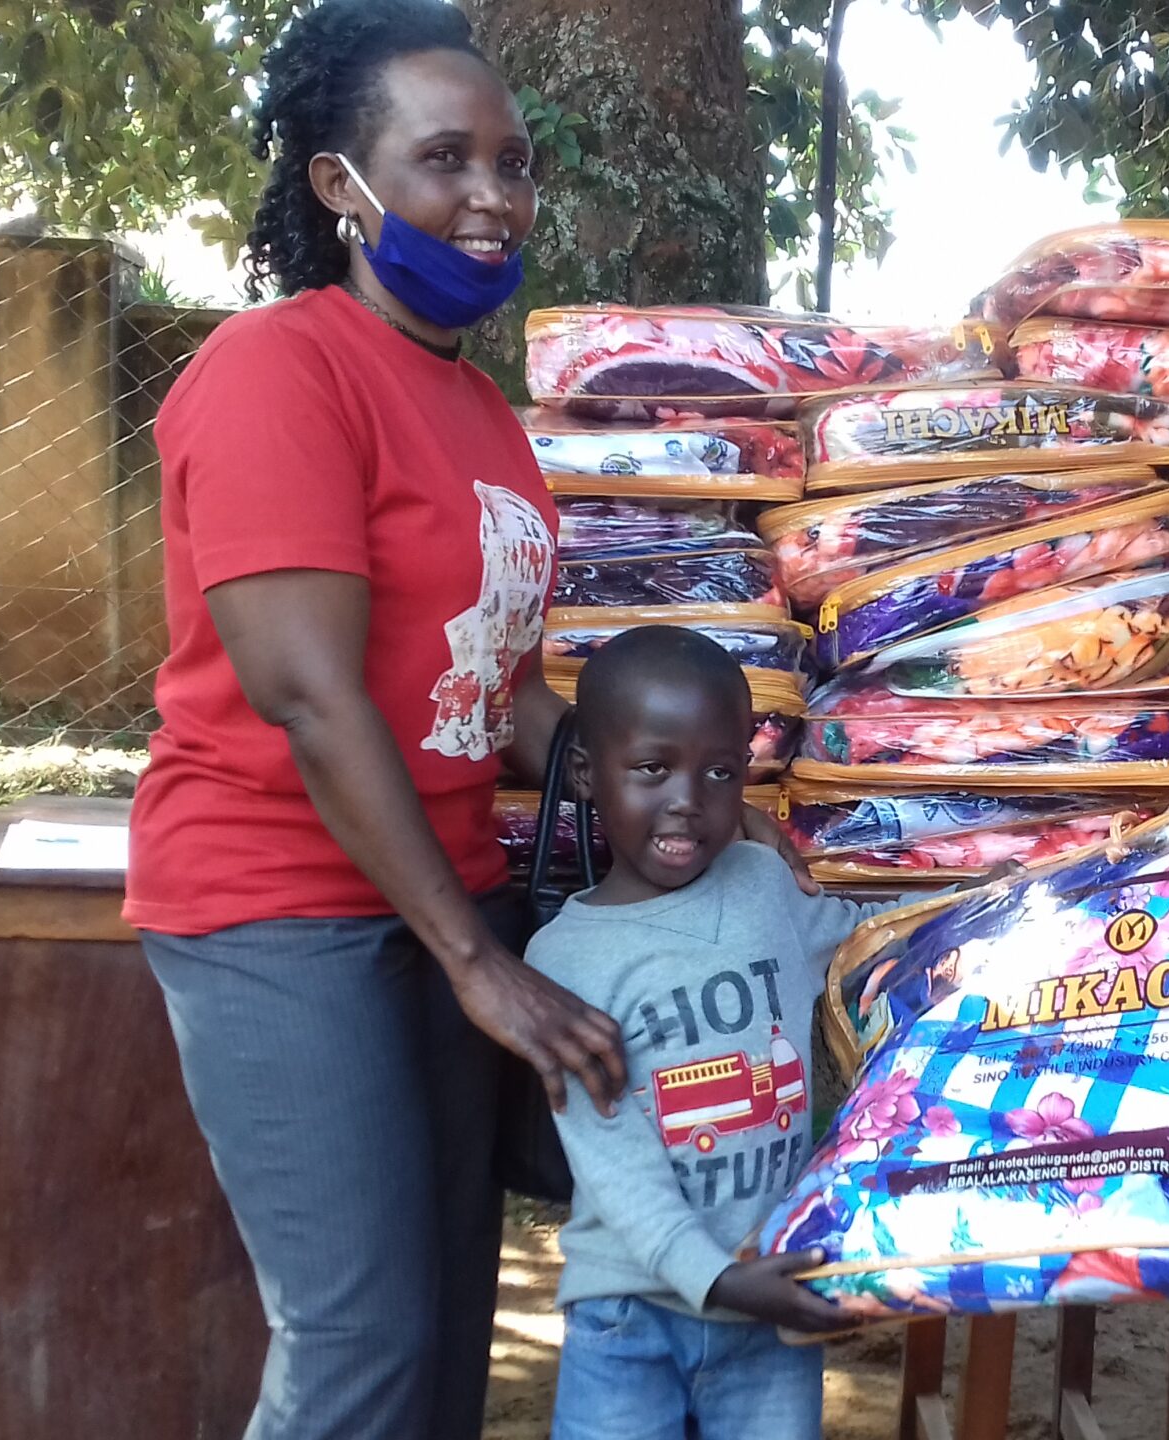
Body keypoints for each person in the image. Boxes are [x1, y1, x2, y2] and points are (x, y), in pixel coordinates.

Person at [123, 5, 804, 1435]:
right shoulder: (277, 369)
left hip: (448, 899)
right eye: (444, 159)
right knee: (360, 1341)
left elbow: (490, 691)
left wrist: (667, 802)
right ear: (338, 187)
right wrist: (479, 970)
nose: (493, 196)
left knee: (440, 1335)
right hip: (281, 906)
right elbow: (308, 692)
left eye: (514, 161)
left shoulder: (479, 412)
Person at [525, 627, 903, 1440]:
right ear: (589, 774)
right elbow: (614, 1166)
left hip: (767, 1302)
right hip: (631, 1311)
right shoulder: (562, 963)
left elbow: (870, 941)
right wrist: (719, 1283)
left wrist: (992, 906)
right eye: (653, 768)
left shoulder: (764, 885)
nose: (688, 798)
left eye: (720, 771)